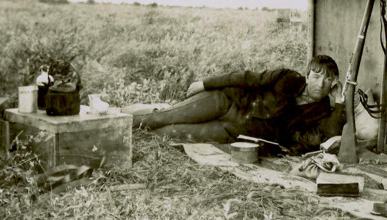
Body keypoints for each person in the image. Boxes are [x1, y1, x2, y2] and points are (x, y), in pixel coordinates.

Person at [125, 55, 345, 154]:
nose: (321, 83)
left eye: (327, 79)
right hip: (226, 102)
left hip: (236, 132)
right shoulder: (287, 77)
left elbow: (323, 137)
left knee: (173, 132)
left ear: (333, 84)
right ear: (307, 76)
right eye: (316, 76)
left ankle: (130, 138)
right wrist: (205, 83)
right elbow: (246, 78)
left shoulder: (324, 112)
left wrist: (341, 101)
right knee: (163, 116)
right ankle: (116, 126)